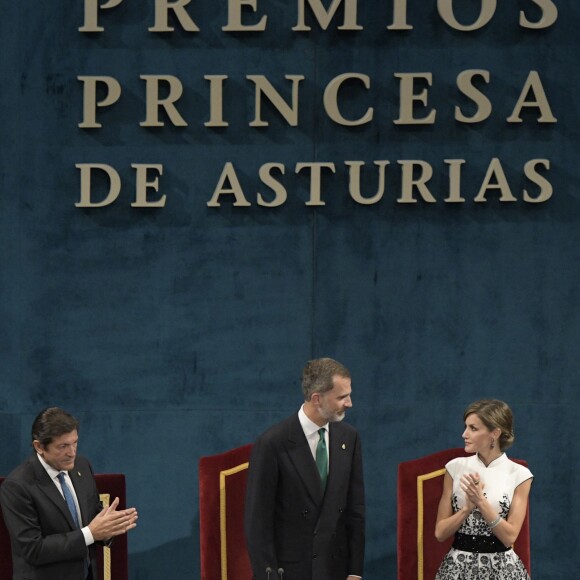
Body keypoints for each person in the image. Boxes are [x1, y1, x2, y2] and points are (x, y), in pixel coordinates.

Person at [244, 357, 365, 580]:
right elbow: (257, 522)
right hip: (290, 572)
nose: (349, 403)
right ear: (317, 398)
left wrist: (355, 572)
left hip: (334, 570)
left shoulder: (349, 438)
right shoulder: (273, 443)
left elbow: (355, 511)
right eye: (341, 397)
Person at [0, 407, 138, 580]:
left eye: (75, 443)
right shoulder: (18, 486)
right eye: (63, 446)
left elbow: (93, 518)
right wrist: (90, 533)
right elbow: (33, 549)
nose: (72, 453)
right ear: (39, 446)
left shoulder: (82, 466)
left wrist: (108, 529)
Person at [434, 399, 533, 579]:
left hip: (503, 570)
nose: (464, 434)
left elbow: (509, 537)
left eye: (473, 428)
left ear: (494, 433)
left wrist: (480, 501)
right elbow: (440, 533)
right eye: (466, 427)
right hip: (457, 568)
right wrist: (466, 509)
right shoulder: (454, 467)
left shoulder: (519, 474)